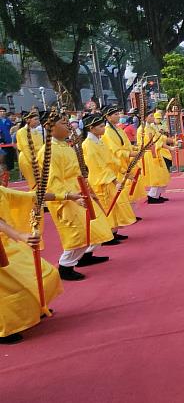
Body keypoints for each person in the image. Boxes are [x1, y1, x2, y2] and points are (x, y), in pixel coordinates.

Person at [38, 110, 116, 281]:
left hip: (78, 192)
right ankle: (65, 266)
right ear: (49, 127)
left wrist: (87, 190)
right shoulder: (48, 151)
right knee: (78, 234)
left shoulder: (65, 146)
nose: (68, 126)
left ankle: (82, 257)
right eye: (63, 123)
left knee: (96, 227)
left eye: (67, 123)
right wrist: (69, 196)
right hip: (66, 198)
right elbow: (52, 181)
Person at [0, 185, 73, 343]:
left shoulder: (1, 191)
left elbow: (33, 196)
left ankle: (36, 308)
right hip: (4, 247)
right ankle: (4, 330)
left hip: (8, 245)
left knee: (47, 274)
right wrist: (20, 235)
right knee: (12, 288)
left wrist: (67, 195)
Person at [82, 113, 136, 240]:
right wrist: (114, 180)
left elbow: (111, 159)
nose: (103, 129)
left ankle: (113, 231)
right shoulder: (88, 144)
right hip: (101, 180)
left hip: (109, 178)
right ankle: (107, 234)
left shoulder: (98, 142)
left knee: (114, 206)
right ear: (91, 128)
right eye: (100, 126)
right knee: (106, 207)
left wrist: (123, 171)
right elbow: (98, 166)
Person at [102, 105, 147, 205]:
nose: (119, 116)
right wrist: (134, 153)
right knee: (124, 190)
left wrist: (137, 149)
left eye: (118, 114)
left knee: (132, 188)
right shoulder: (108, 132)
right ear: (108, 117)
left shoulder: (118, 129)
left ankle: (132, 213)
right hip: (119, 165)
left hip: (127, 162)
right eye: (116, 114)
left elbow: (126, 145)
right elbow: (116, 152)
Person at [137, 109, 171, 204]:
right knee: (156, 176)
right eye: (151, 116)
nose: (153, 117)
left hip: (155, 153)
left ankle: (157, 195)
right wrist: (154, 155)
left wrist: (170, 142)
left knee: (162, 174)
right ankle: (152, 196)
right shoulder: (143, 129)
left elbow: (159, 138)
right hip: (150, 154)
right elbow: (150, 143)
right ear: (145, 117)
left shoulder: (151, 127)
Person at [14, 112, 45, 190]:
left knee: (42, 181)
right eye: (35, 119)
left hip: (39, 158)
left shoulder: (36, 132)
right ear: (28, 120)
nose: (38, 121)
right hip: (27, 159)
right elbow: (26, 147)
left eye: (38, 119)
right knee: (33, 182)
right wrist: (33, 160)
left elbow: (41, 145)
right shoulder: (21, 132)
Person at [0, 106, 15, 174]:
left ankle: (9, 171)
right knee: (3, 159)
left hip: (10, 142)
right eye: (1, 111)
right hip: (2, 144)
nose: (2, 113)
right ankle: (3, 172)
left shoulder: (8, 121)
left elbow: (12, 131)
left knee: (10, 157)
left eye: (4, 111)